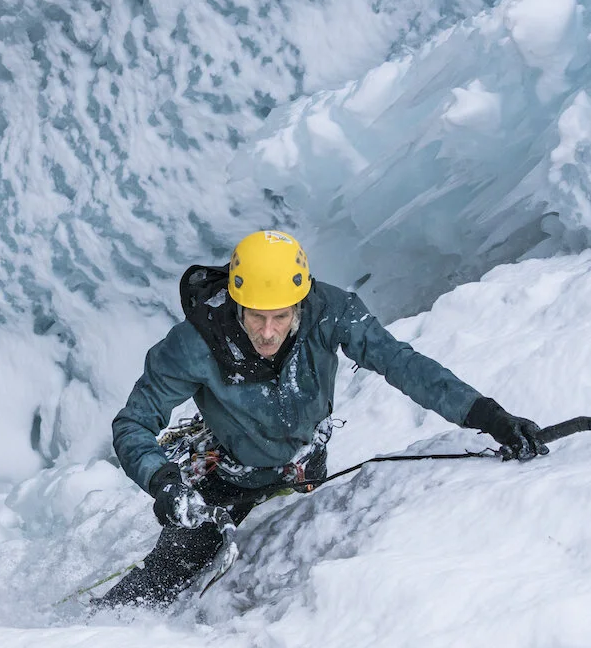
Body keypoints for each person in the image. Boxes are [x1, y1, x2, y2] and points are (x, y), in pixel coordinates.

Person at [97, 230, 547, 607]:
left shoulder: (330, 311)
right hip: (228, 479)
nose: (268, 331)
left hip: (305, 465)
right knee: (171, 572)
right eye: (256, 316)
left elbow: (404, 365)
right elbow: (132, 424)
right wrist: (165, 484)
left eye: (280, 316)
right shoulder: (193, 344)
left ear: (300, 302)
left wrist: (489, 416)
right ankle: (96, 633)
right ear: (237, 303)